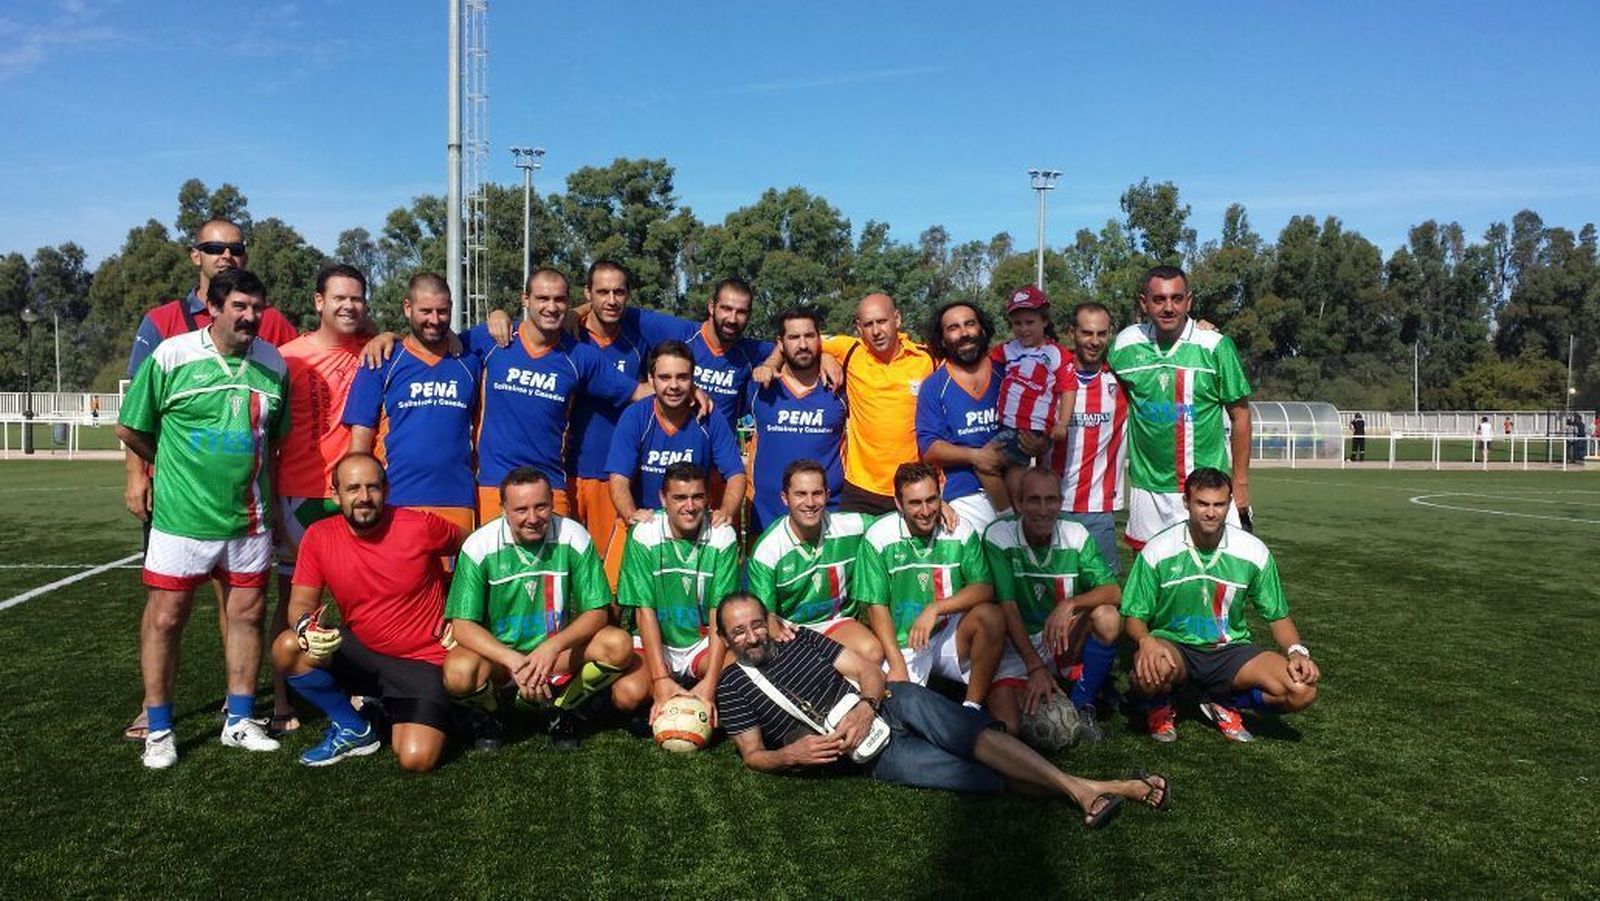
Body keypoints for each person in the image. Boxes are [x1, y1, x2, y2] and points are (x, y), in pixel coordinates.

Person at [714, 593, 1171, 829]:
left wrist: (867, 705)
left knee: (977, 739)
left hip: (892, 704)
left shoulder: (801, 639)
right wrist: (791, 756)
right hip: (872, 757)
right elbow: (753, 754)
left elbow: (869, 672)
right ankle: (1109, 788)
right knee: (979, 776)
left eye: (758, 624)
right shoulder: (732, 688)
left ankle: (1084, 795)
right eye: (740, 632)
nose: (753, 637)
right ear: (725, 638)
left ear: (769, 622)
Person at [119, 219, 297, 743]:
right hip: (181, 514)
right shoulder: (169, 343)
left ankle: (239, 717)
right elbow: (132, 424)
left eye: (255, 308)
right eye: (238, 307)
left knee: (245, 612)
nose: (249, 316)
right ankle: (156, 724)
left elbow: (277, 440)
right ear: (213, 308)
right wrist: (158, 469)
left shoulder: (272, 356)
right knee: (166, 615)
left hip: (249, 517)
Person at [272, 453, 464, 769]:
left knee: (416, 759)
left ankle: (397, 709)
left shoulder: (420, 525)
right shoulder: (319, 537)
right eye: (353, 488)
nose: (364, 497)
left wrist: (459, 610)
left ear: (386, 490)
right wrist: (306, 626)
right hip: (362, 653)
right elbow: (301, 603)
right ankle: (353, 727)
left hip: (422, 661)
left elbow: (474, 551)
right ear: (335, 495)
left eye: (372, 487)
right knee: (288, 647)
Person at [441, 467, 636, 752]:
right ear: (503, 508)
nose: (533, 518)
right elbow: (463, 625)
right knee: (458, 672)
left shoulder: (573, 535)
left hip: (554, 656)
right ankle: (492, 712)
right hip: (500, 660)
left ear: (551, 502)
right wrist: (512, 660)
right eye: (521, 509)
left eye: (541, 506)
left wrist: (552, 647)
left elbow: (598, 612)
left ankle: (561, 708)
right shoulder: (479, 545)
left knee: (618, 644)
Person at [1122, 467, 1320, 743]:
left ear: (1229, 504)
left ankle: (1226, 701)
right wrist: (1145, 641)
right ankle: (1161, 704)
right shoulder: (1157, 550)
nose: (1211, 512)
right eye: (1202, 503)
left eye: (1219, 504)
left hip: (1230, 650)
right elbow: (1132, 615)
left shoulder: (1253, 551)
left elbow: (1278, 617)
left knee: (1302, 691)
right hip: (1177, 647)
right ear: (1186, 503)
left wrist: (1297, 652)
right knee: (1146, 673)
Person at [463, 268, 652, 523]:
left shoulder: (579, 356)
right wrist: (389, 337)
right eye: (542, 298)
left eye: (559, 300)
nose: (551, 307)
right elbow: (435, 340)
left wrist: (688, 388)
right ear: (525, 299)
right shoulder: (494, 340)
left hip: (550, 487)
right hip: (493, 484)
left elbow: (637, 391)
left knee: (556, 564)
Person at [270, 263, 371, 733]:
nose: (349, 306)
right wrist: (270, 499)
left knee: (362, 596)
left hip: (357, 494)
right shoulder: (285, 358)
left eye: (357, 298)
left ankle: (357, 685)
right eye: (340, 298)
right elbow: (267, 436)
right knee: (293, 598)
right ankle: (282, 696)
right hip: (302, 496)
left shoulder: (374, 351)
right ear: (318, 303)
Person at [855, 462, 1017, 733]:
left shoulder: (959, 528)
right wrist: (896, 664)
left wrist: (936, 608)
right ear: (898, 502)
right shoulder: (879, 536)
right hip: (904, 642)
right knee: (897, 727)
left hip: (949, 636)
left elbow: (984, 587)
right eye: (915, 503)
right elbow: (876, 607)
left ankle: (972, 710)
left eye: (932, 500)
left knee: (991, 615)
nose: (926, 510)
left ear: (941, 493)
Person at [1108, 265, 1252, 549]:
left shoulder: (1215, 346)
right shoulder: (1124, 346)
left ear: (1190, 301)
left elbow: (1241, 417)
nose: (1169, 308)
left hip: (1206, 489)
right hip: (1147, 489)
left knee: (1213, 578)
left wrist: (1241, 484)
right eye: (1159, 299)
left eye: (1177, 298)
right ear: (1143, 303)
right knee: (1151, 579)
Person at [983, 467, 1122, 741]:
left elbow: (1113, 591)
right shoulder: (998, 535)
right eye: (1034, 500)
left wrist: (1070, 603)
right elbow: (1007, 605)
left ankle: (1083, 704)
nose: (1043, 509)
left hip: (1060, 639)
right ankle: (1042, 682)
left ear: (1060, 503)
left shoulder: (1076, 534)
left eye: (1051, 500)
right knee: (1008, 727)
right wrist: (1034, 666)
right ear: (1019, 503)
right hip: (1015, 646)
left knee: (1107, 617)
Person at [344, 273, 477, 537]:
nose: (434, 320)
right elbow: (359, 445)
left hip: (458, 501)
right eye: (425, 311)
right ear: (408, 307)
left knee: (458, 579)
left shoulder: (469, 360)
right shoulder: (381, 361)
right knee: (401, 579)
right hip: (398, 500)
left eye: (442, 311)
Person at [610, 463, 740, 724]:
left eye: (697, 497)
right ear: (662, 499)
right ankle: (664, 692)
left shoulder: (723, 535)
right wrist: (660, 679)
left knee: (744, 675)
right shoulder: (644, 534)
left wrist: (711, 684)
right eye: (679, 498)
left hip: (701, 642)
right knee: (626, 695)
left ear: (708, 498)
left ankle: (698, 690)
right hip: (658, 644)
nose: (689, 506)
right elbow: (644, 612)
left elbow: (719, 615)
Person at [747, 459, 884, 667]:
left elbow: (893, 523)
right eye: (800, 494)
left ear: (827, 495)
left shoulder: (849, 526)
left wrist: (938, 509)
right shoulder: (768, 549)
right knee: (800, 667)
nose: (810, 503)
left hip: (835, 623)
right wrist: (773, 626)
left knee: (872, 652)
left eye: (817, 493)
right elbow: (767, 615)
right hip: (792, 630)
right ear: (785, 498)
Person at [605, 341, 748, 531]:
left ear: (692, 379)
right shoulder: (635, 416)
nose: (674, 385)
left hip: (693, 526)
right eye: (665, 377)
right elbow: (619, 478)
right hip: (645, 524)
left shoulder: (709, 416)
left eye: (682, 377)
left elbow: (736, 475)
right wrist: (631, 513)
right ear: (651, 378)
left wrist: (726, 512)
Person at [821, 293, 936, 515]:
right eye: (868, 324)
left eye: (882, 321)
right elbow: (803, 340)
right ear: (858, 327)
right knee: (849, 550)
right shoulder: (851, 351)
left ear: (897, 319)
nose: (876, 331)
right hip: (861, 487)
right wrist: (823, 355)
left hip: (913, 486)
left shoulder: (926, 358)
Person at [746, 306, 847, 535]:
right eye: (793, 337)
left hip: (828, 517)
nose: (802, 345)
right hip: (766, 517)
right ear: (780, 343)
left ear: (819, 339)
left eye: (809, 336)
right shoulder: (758, 387)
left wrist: (829, 357)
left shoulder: (840, 387)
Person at [915, 301, 1013, 531]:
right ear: (942, 339)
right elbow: (929, 448)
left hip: (1015, 490)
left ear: (982, 329)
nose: (964, 333)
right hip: (964, 500)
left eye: (970, 324)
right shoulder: (934, 386)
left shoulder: (1008, 373)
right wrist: (976, 456)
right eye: (953, 327)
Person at [1056, 302, 1130, 571]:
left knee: (1104, 601)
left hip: (1098, 510)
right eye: (1087, 333)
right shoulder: (1049, 374)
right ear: (1071, 332)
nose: (1095, 341)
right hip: (1049, 508)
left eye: (1102, 333)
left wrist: (1202, 329)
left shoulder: (1122, 378)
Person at [990, 285, 1075, 502]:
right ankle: (1015, 518)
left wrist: (1062, 424)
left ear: (1044, 321)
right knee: (1013, 474)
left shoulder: (1055, 353)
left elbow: (1068, 388)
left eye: (1030, 322)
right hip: (1008, 425)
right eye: (1017, 323)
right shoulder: (1008, 349)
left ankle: (1008, 515)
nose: (1023, 329)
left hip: (1029, 428)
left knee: (985, 463)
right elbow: (984, 366)